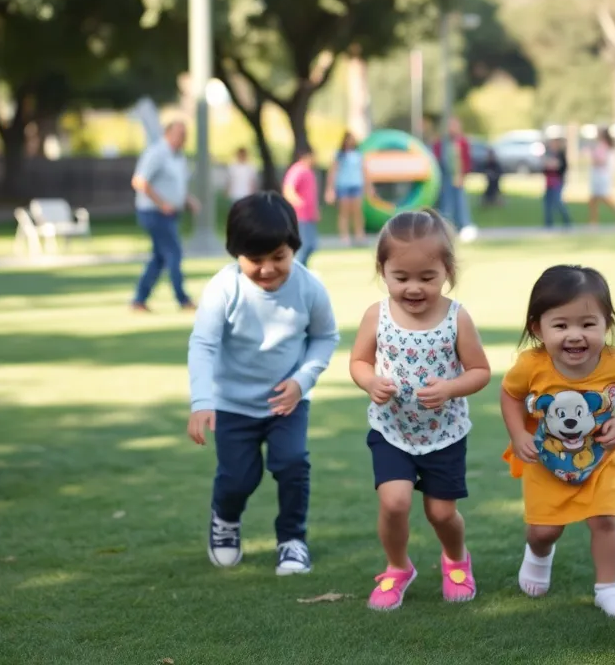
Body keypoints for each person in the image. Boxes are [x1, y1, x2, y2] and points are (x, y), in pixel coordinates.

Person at [187, 192, 339, 575]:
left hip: (287, 402)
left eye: (278, 257)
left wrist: (302, 381)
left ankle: (292, 540)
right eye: (255, 259)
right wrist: (202, 401)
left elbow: (325, 337)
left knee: (292, 463)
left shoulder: (309, 287)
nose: (268, 269)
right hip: (232, 405)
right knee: (238, 477)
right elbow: (203, 344)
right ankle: (225, 520)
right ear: (236, 253)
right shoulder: (224, 288)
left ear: (294, 247)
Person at [348, 209, 491, 610]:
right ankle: (397, 567)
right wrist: (370, 381)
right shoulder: (377, 315)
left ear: (447, 271)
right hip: (392, 429)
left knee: (441, 513)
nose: (413, 288)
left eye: (427, 278)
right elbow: (359, 361)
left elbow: (480, 371)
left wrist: (450, 388)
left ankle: (456, 560)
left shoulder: (456, 318)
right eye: (401, 277)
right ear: (383, 270)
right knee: (394, 502)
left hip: (444, 433)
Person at [499, 265, 615, 618]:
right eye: (561, 326)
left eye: (587, 324)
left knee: (605, 520)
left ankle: (608, 589)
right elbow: (510, 395)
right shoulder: (531, 365)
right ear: (538, 328)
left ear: (606, 323)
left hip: (601, 458)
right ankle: (538, 554)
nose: (575, 336)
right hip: (546, 458)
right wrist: (518, 434)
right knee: (544, 530)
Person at [131, 120, 201, 312]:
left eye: (185, 134)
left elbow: (175, 186)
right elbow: (139, 181)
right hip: (154, 212)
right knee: (173, 253)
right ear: (168, 134)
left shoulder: (178, 157)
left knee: (159, 258)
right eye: (180, 134)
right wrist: (161, 203)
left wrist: (187, 200)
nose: (183, 138)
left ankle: (139, 300)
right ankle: (183, 299)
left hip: (170, 213)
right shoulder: (157, 153)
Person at [432, 119, 476, 240]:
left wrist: (464, 175)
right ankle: (445, 227)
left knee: (460, 202)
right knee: (446, 203)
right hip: (445, 177)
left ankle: (463, 226)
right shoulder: (441, 143)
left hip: (458, 176)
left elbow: (466, 160)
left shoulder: (462, 142)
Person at [324, 132, 367, 245]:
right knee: (344, 212)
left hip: (356, 185)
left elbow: (364, 171)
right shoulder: (339, 155)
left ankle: (359, 234)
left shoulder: (358, 154)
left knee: (357, 212)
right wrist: (330, 188)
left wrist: (368, 186)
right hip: (343, 186)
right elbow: (333, 171)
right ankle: (345, 236)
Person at [282, 146, 320, 267]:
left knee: (312, 245)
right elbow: (288, 189)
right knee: (304, 245)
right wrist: (298, 203)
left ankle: (303, 268)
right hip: (300, 215)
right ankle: (296, 268)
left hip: (309, 215)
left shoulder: (309, 171)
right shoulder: (297, 170)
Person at [588, 128, 615, 226]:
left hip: (601, 175)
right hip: (599, 174)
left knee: (605, 197)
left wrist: (594, 159)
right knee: (593, 200)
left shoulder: (603, 146)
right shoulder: (603, 146)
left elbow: (602, 161)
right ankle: (593, 222)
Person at [542, 139, 571, 228]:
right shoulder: (548, 154)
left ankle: (567, 220)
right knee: (547, 203)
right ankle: (548, 223)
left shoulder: (560, 155)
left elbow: (561, 167)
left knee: (558, 202)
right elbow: (545, 167)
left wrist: (553, 165)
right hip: (549, 182)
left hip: (557, 181)